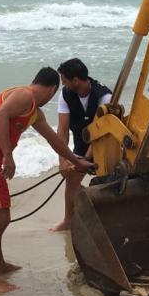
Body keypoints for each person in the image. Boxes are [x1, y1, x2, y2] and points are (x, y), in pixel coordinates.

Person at [0, 67, 94, 293]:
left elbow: (54, 140)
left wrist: (77, 162)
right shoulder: (24, 95)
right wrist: (8, 156)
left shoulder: (34, 112)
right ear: (51, 89)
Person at [50, 58, 112, 232]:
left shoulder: (105, 96)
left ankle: (103, 218)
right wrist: (63, 160)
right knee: (71, 181)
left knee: (107, 184)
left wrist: (83, 160)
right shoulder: (66, 94)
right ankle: (68, 220)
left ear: (75, 80)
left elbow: (101, 133)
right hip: (80, 142)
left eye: (64, 80)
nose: (62, 84)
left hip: (105, 145)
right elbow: (62, 130)